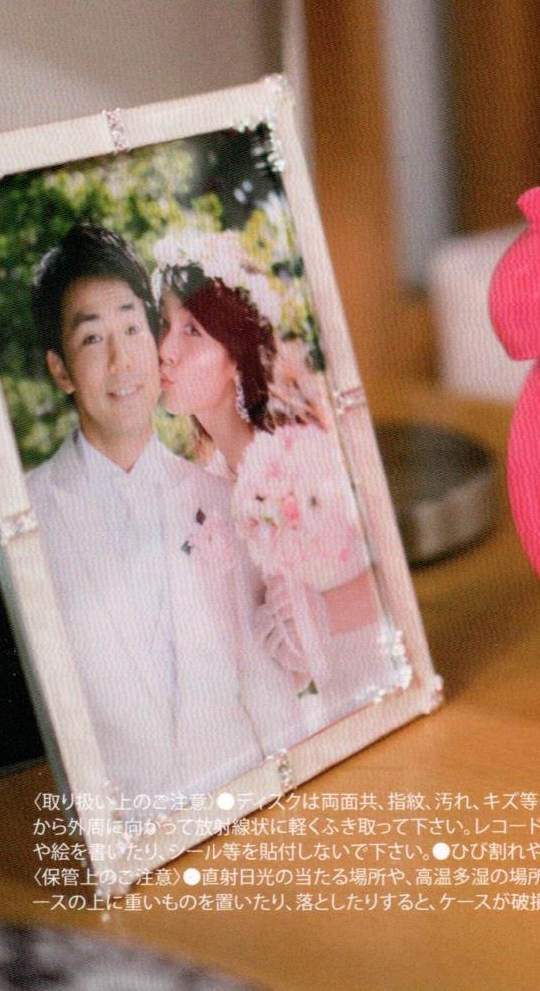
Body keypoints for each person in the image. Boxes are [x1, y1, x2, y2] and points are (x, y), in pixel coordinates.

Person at [24, 223, 300, 806]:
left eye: (132, 329)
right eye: (93, 339)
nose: (122, 360)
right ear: (61, 370)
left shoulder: (222, 498)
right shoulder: (29, 518)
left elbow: (265, 689)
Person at [152, 229, 388, 722]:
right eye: (165, 326)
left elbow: (389, 579)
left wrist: (317, 616)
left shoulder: (305, 456)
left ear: (236, 357)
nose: (165, 350)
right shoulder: (207, 486)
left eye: (192, 330)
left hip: (379, 683)